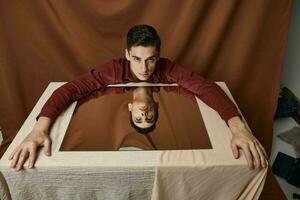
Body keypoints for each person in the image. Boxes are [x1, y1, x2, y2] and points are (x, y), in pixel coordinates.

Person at [9, 24, 267, 171]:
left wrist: (239, 129)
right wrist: (39, 130)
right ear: (127, 54)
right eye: (137, 59)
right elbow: (68, 90)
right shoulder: (113, 70)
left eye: (151, 59)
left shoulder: (168, 70)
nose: (144, 68)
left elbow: (207, 88)